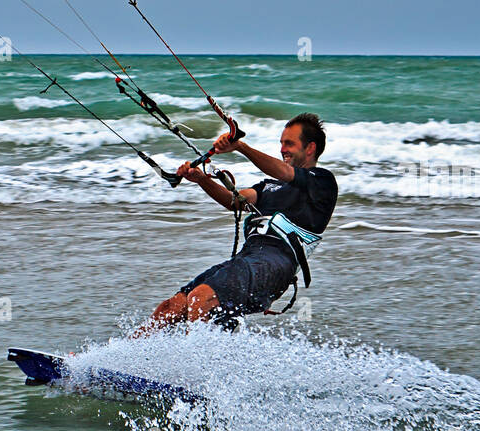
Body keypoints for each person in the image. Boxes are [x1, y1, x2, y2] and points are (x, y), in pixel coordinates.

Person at [133, 112, 338, 334]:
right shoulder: (268, 186)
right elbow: (234, 201)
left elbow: (286, 172)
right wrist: (201, 180)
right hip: (248, 257)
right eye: (281, 143)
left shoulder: (322, 182)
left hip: (275, 264)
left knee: (201, 298)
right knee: (172, 307)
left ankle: (193, 365)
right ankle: (127, 357)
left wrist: (240, 147)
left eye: (289, 143)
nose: (282, 149)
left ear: (310, 148)